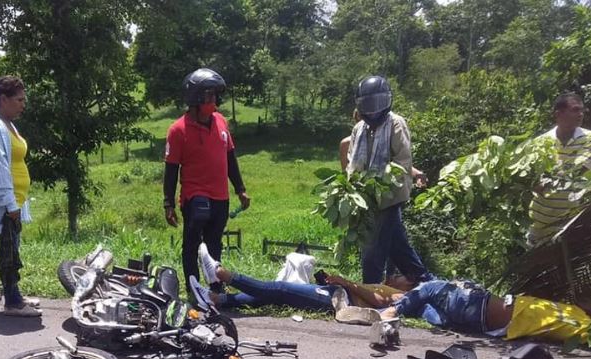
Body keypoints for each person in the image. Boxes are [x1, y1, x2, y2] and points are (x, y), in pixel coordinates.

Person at [163, 68, 250, 292]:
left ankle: (215, 290)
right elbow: (171, 169)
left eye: (215, 95)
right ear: (196, 98)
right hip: (195, 195)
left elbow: (230, 157)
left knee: (214, 244)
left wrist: (240, 189)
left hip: (221, 195)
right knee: (192, 243)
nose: (215, 100)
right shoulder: (177, 130)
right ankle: (193, 289)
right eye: (210, 95)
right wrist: (168, 203)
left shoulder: (221, 122)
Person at [347, 75, 432, 284]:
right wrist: (352, 188)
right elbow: (352, 163)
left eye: (377, 104)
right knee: (398, 247)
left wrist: (379, 184)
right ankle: (426, 283)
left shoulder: (396, 124)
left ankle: (370, 290)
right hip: (364, 199)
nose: (373, 110)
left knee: (372, 249)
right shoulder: (359, 128)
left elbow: (402, 163)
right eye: (368, 105)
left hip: (390, 197)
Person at [188, 243, 414, 314]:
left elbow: (382, 302)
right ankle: (216, 300)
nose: (395, 275)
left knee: (281, 289)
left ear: (410, 285)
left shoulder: (405, 295)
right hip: (338, 294)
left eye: (401, 276)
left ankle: (221, 274)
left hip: (339, 300)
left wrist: (346, 283)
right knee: (275, 296)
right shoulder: (385, 285)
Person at [0, 75, 40, 317]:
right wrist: (9, 202)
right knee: (8, 252)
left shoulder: (6, 122)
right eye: (19, 99)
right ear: (3, 99)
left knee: (12, 247)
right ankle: (12, 302)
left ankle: (16, 295)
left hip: (15, 200)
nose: (23, 104)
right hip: (6, 202)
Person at [376, 279, 591, 346]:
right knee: (426, 307)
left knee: (429, 290)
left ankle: (392, 311)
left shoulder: (584, 324)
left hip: (480, 309)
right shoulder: (574, 312)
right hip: (483, 319)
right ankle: (391, 309)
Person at [527, 93, 591, 247]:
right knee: (542, 269)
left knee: (576, 266)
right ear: (558, 114)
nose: (580, 114)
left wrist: (545, 179)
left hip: (575, 220)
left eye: (582, 110)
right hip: (541, 222)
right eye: (575, 110)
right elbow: (530, 177)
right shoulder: (540, 142)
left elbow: (577, 170)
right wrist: (531, 182)